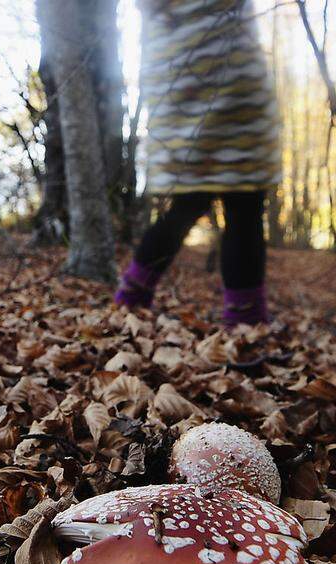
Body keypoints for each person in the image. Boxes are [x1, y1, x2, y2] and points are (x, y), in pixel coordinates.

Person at [115, 0, 281, 326]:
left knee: (188, 205)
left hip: (181, 96)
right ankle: (245, 321)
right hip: (234, 92)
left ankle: (131, 296)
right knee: (243, 206)